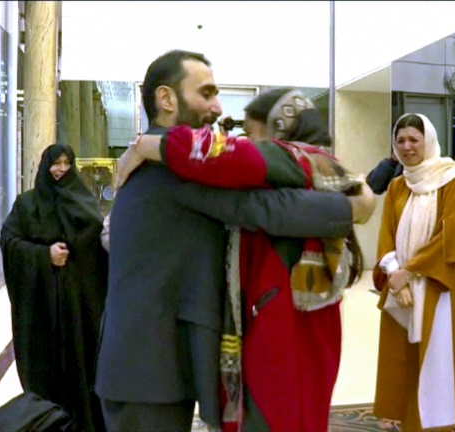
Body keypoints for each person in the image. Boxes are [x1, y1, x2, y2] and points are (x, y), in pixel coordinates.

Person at [94, 50, 373, 432]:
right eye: (206, 93)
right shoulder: (173, 168)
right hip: (148, 371)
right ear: (166, 99)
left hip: (152, 366)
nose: (218, 107)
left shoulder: (163, 160)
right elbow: (268, 208)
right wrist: (355, 206)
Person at [372, 113, 455, 431]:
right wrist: (395, 275)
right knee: (406, 360)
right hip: (403, 287)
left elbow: (450, 236)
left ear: (428, 141)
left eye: (414, 140)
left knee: (440, 362)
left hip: (440, 284)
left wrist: (409, 272)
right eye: (400, 140)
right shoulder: (397, 186)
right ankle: (411, 423)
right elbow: (386, 235)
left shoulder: (453, 179)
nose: (407, 147)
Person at [0, 144, 108, 432]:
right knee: (45, 373)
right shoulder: (27, 205)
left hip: (80, 312)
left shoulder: (84, 202)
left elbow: (99, 250)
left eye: (66, 163)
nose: (61, 169)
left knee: (83, 372)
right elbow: (10, 242)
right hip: (42, 311)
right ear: (44, 165)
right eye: (55, 163)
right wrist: (44, 255)